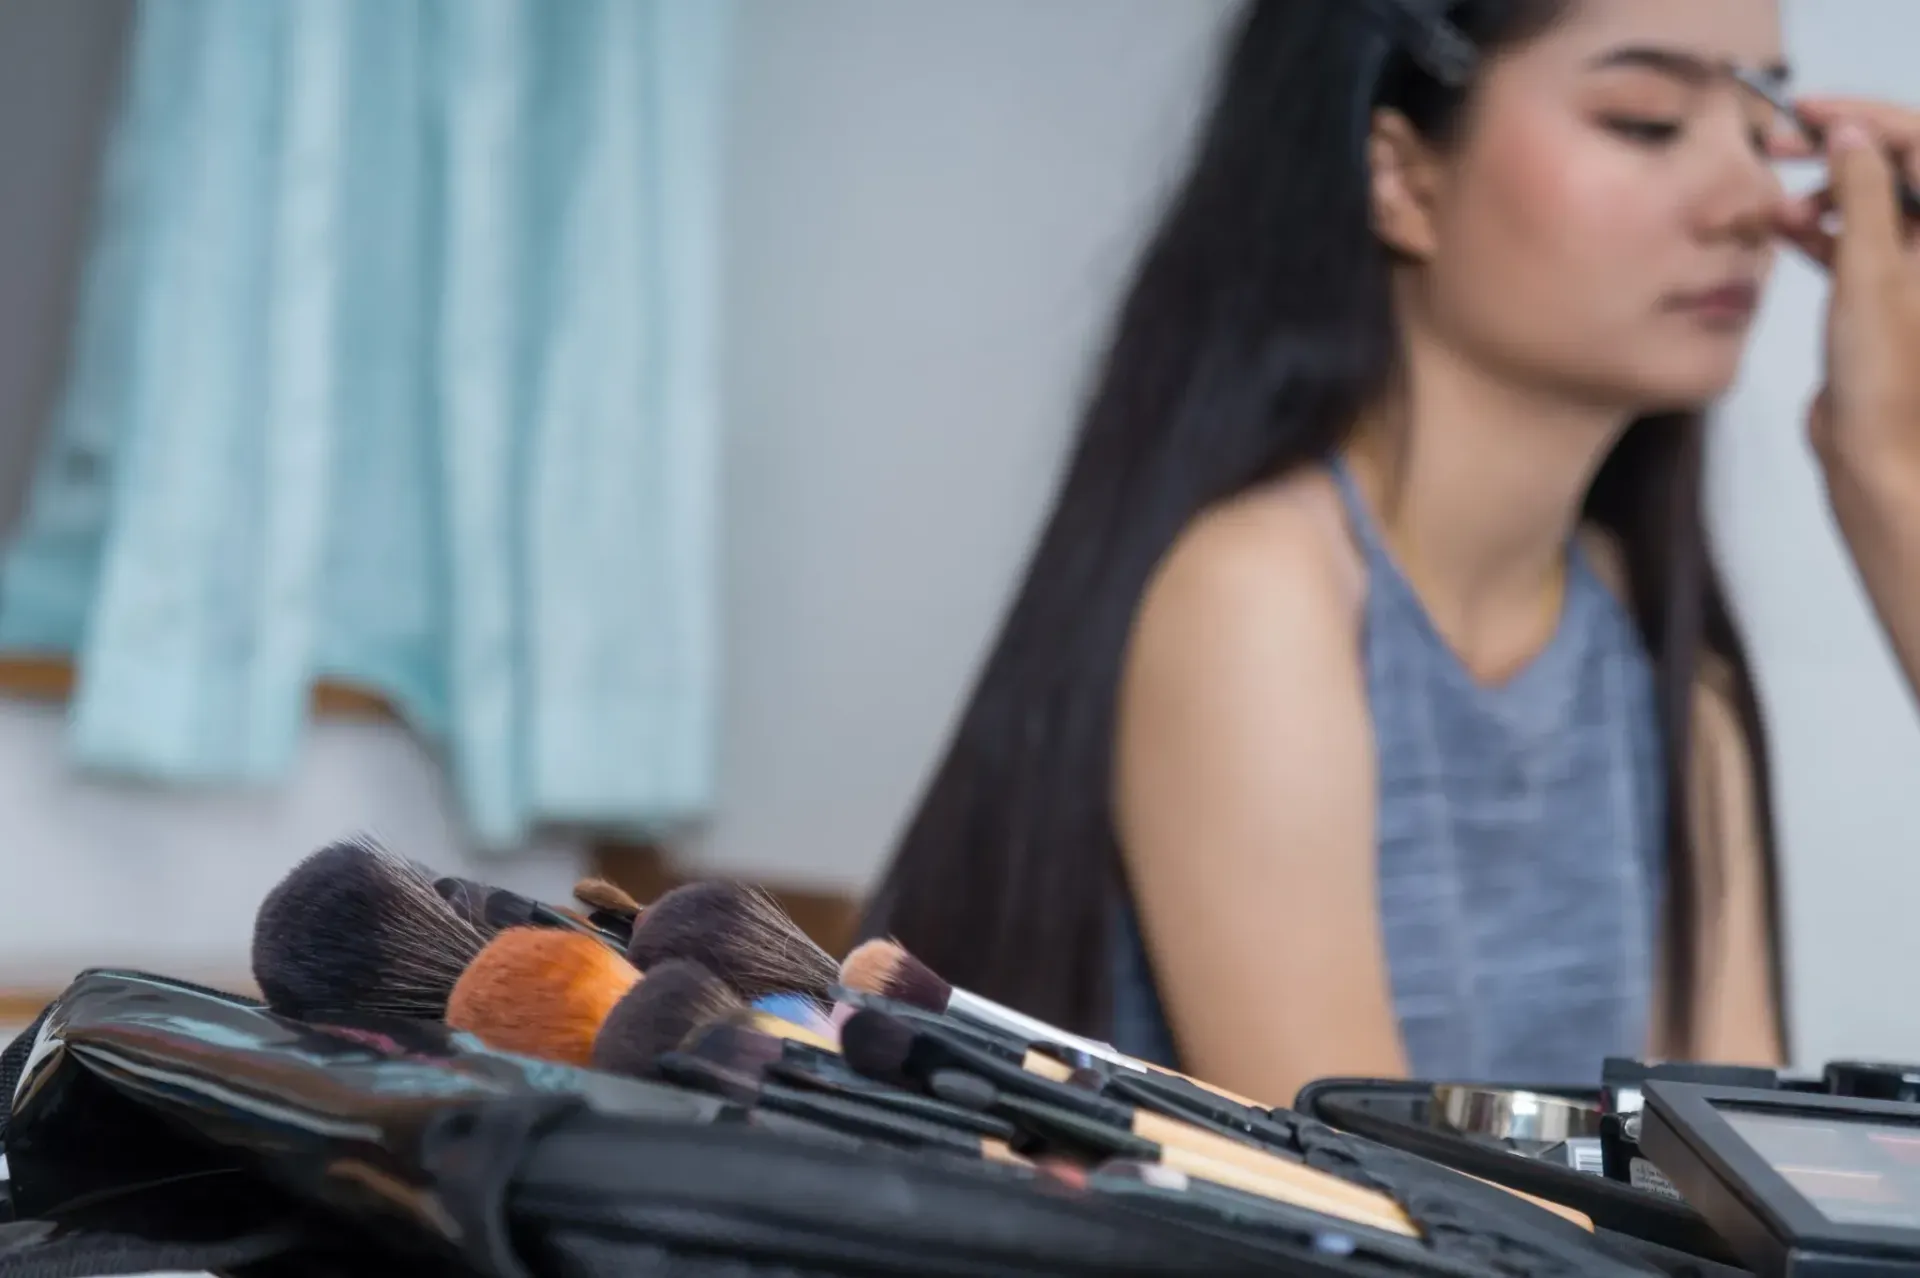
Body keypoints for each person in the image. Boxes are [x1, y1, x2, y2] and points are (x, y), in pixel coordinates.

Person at [862, 0, 1885, 1106]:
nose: (1749, 202)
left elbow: (1727, 1189)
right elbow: (1392, 1217)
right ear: (1400, 174)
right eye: (1646, 119)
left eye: (1763, 124)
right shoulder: (1261, 599)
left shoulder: (1670, 659)